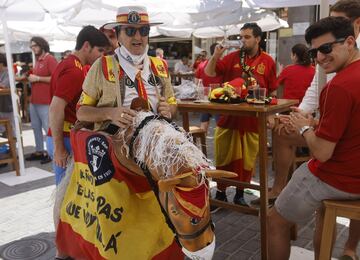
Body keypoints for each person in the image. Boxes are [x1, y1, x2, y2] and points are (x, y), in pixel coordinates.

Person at [267, 1, 360, 258]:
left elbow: (322, 153)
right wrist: (315, 124)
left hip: (339, 176)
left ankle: (277, 190)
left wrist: (306, 127)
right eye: (315, 52)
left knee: (273, 222)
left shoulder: (338, 86)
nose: (320, 58)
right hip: (355, 171)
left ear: (350, 42)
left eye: (327, 48)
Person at [205, 22, 277, 208]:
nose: (242, 40)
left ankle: (239, 194)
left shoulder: (268, 61)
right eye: (241, 37)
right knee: (222, 157)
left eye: (247, 37)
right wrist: (215, 56)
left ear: (258, 39)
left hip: (252, 121)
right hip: (228, 118)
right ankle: (220, 194)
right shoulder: (232, 57)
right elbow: (209, 72)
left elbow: (272, 91)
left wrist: (270, 115)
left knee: (247, 161)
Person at [48, 26, 108, 185]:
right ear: (86, 46)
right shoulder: (74, 70)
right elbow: (55, 108)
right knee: (66, 193)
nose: (102, 56)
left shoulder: (71, 63)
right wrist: (59, 148)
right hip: (64, 137)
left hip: (66, 135)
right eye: (100, 50)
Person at [26, 36, 58, 164]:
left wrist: (38, 78)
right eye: (31, 46)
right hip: (35, 100)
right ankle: (40, 150)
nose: (33, 48)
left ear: (41, 45)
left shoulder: (50, 59)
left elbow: (55, 79)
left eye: (35, 45)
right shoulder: (38, 60)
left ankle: (53, 153)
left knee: (48, 127)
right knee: (35, 127)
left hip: (45, 101)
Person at [195, 43, 223, 133]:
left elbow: (196, 82)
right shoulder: (221, 64)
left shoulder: (202, 64)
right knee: (221, 125)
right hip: (218, 99)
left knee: (204, 125)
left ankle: (201, 146)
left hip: (205, 98)